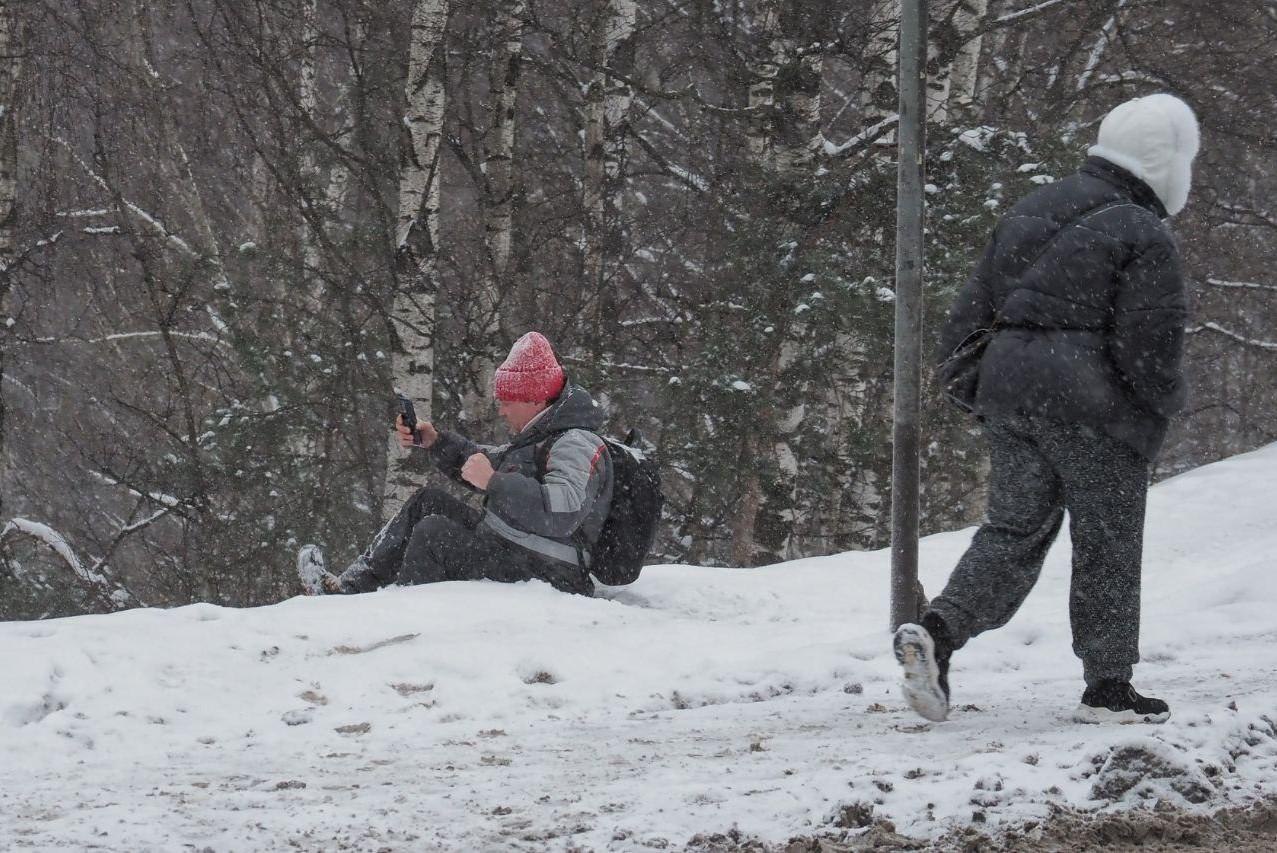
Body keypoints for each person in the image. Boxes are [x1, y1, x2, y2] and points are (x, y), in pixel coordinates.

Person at [894, 94, 1200, 725]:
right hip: (1095, 407)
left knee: (1014, 529)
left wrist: (973, 387)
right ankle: (1108, 687)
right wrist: (1160, 405)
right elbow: (1151, 341)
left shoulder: (1032, 208)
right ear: (1165, 163)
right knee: (1107, 540)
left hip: (1010, 396)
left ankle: (939, 634)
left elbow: (971, 310)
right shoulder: (1143, 231)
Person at [298, 332, 613, 597]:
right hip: (516, 547)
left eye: (507, 403)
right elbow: (487, 461)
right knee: (428, 502)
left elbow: (563, 511)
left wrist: (495, 482)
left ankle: (406, 620)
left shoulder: (576, 442)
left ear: (534, 399)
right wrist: (435, 441)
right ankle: (347, 591)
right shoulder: (542, 433)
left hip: (551, 573)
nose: (502, 412)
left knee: (434, 535)